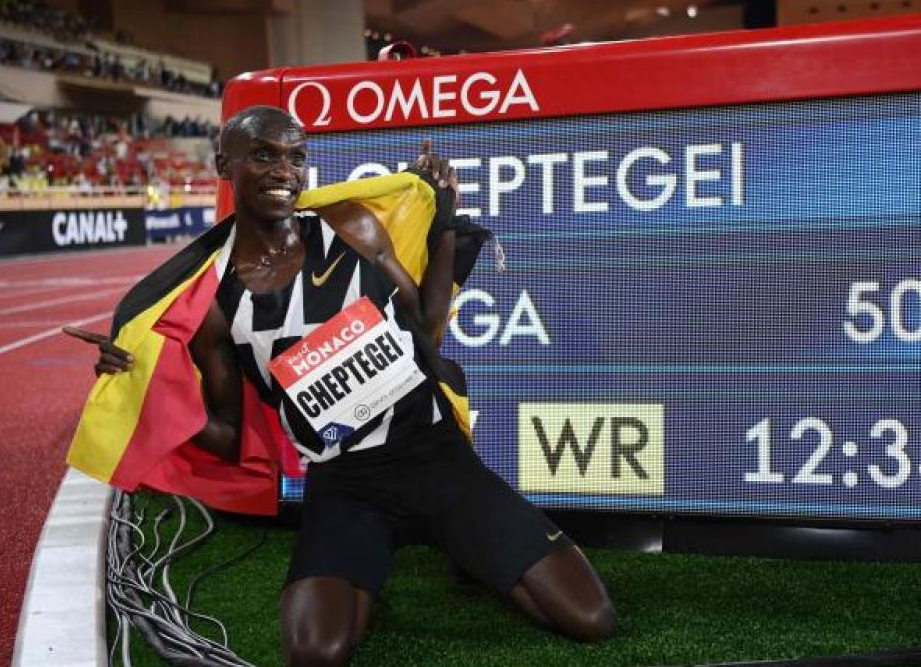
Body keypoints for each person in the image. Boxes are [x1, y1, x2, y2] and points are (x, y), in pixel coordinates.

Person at [66, 106, 615, 665]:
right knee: (316, 653)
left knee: (590, 619)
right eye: (264, 155)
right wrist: (144, 390)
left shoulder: (350, 228)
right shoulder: (214, 300)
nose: (284, 171)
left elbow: (426, 330)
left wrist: (445, 223)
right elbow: (228, 436)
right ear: (224, 166)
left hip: (435, 458)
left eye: (295, 157)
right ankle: (417, 551)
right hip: (346, 485)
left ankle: (467, 545)